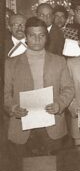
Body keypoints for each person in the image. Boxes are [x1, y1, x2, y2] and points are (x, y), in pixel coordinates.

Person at [4, 17, 74, 156]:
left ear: (46, 38)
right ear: (25, 37)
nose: (37, 39)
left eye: (41, 35)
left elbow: (69, 88)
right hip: (22, 128)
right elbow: (5, 94)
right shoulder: (10, 64)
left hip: (52, 126)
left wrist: (59, 104)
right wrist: (13, 108)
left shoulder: (59, 61)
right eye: (32, 35)